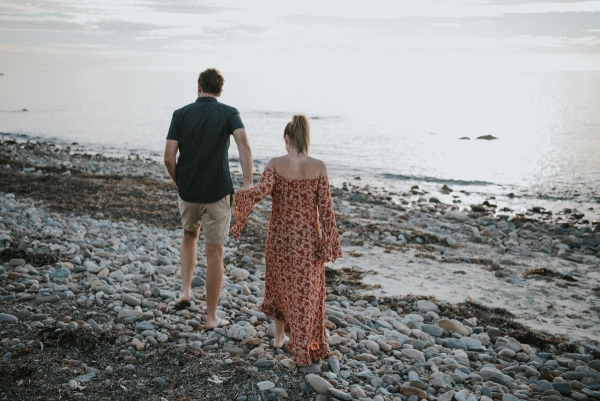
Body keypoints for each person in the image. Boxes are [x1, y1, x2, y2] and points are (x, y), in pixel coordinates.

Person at [231, 115, 342, 365]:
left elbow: (259, 193)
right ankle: (304, 341)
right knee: (307, 292)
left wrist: (238, 197)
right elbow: (326, 211)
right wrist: (330, 243)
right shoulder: (319, 166)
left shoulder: (274, 164)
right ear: (306, 138)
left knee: (280, 285)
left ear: (286, 138)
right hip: (307, 242)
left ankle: (280, 337)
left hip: (280, 239)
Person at [164, 68, 253, 329]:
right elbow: (243, 144)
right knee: (214, 252)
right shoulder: (228, 112)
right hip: (217, 192)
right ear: (220, 91)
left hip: (188, 191)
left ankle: (185, 292)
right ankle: (211, 317)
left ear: (199, 86)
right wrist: (247, 182)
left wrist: (179, 183)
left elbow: (169, 157)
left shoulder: (180, 114)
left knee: (189, 235)